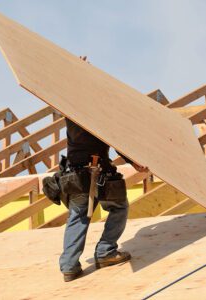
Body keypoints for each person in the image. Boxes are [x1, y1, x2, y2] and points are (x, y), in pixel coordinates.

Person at [43, 56, 148, 282]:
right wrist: (134, 162)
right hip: (98, 173)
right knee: (119, 208)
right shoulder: (98, 113)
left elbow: (64, 90)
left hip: (75, 174)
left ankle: (69, 266)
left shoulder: (69, 110)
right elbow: (118, 140)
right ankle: (105, 252)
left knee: (78, 217)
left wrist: (75, 72)